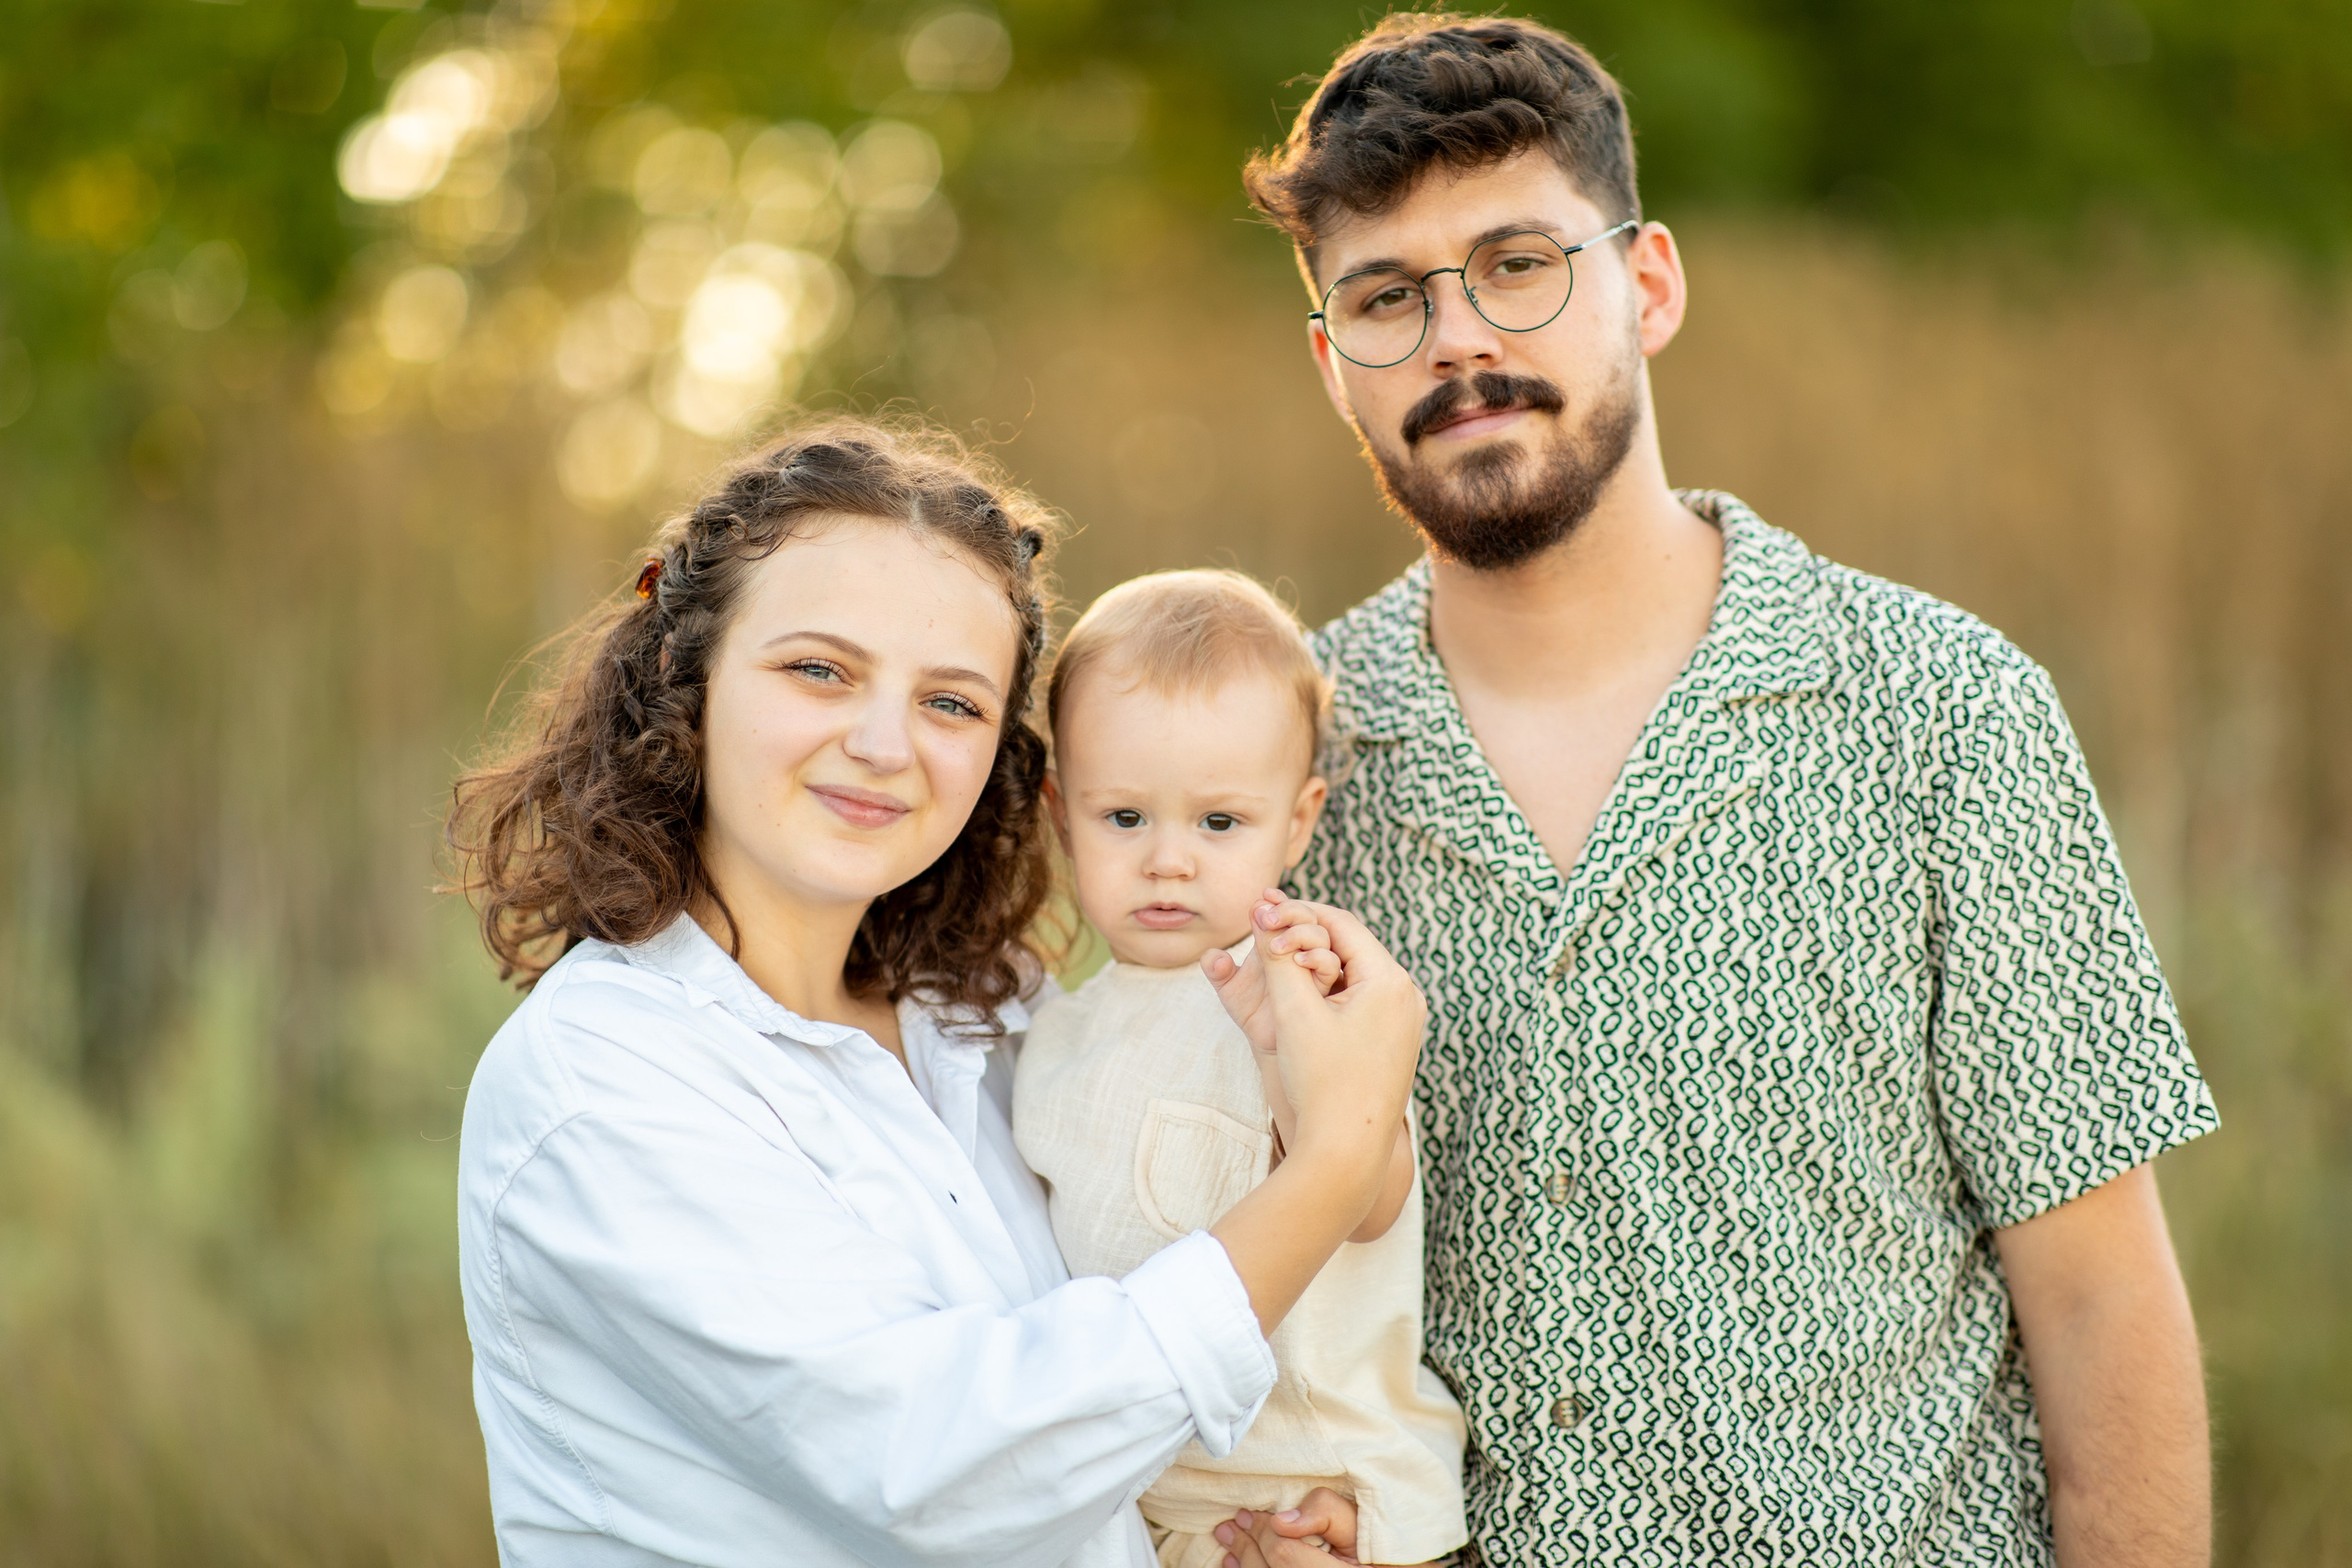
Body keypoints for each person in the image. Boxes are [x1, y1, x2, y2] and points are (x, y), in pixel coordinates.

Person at [1218, 15, 2219, 1568]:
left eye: (1519, 264)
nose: (1460, 340)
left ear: (1649, 283)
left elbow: (2101, 1301)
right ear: (1330, 362)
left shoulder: (1942, 709)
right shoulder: (1274, 773)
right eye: (1387, 299)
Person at [442, 419, 1429, 1568]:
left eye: (951, 703)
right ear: (689, 677)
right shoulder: (601, 1082)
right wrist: (1335, 1164)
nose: (881, 743)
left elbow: (1084, 1440)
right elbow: (943, 1472)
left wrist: (1237, 1541)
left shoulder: (992, 1016)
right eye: (820, 670)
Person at [1015, 570, 1470, 1568]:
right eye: (1124, 818)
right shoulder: (1047, 1027)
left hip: (1321, 1489)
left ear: (1297, 822)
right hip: (1151, 1506)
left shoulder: (1299, 997)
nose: (1169, 860)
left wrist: (1284, 1069)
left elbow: (1370, 1193)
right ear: (1060, 813)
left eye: (1219, 824)